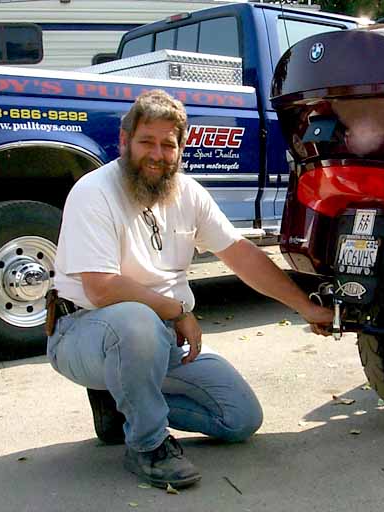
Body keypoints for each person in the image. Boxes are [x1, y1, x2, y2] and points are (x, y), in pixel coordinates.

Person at [46, 89, 333, 490]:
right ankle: (148, 445)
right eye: (146, 142)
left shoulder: (188, 193)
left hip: (159, 339)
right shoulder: (94, 191)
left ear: (181, 149)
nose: (157, 155)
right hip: (85, 333)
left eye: (168, 145)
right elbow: (101, 289)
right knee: (135, 321)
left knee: (239, 418)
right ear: (125, 140)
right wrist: (177, 311)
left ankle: (121, 401)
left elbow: (241, 255)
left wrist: (306, 307)